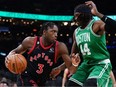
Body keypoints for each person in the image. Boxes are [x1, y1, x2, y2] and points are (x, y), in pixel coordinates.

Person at [5, 22, 80, 86]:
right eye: (53, 31)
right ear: (44, 32)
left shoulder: (60, 47)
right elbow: (15, 52)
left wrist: (73, 65)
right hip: (26, 77)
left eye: (57, 32)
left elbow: (72, 70)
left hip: (42, 81)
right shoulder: (30, 41)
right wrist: (9, 56)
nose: (56, 34)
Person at [66, 1, 116, 87]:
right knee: (71, 84)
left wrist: (97, 13)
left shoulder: (96, 25)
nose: (76, 18)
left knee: (90, 84)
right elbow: (73, 55)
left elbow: (114, 26)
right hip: (86, 65)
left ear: (85, 15)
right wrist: (60, 68)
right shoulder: (76, 32)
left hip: (100, 63)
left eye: (77, 15)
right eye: (75, 16)